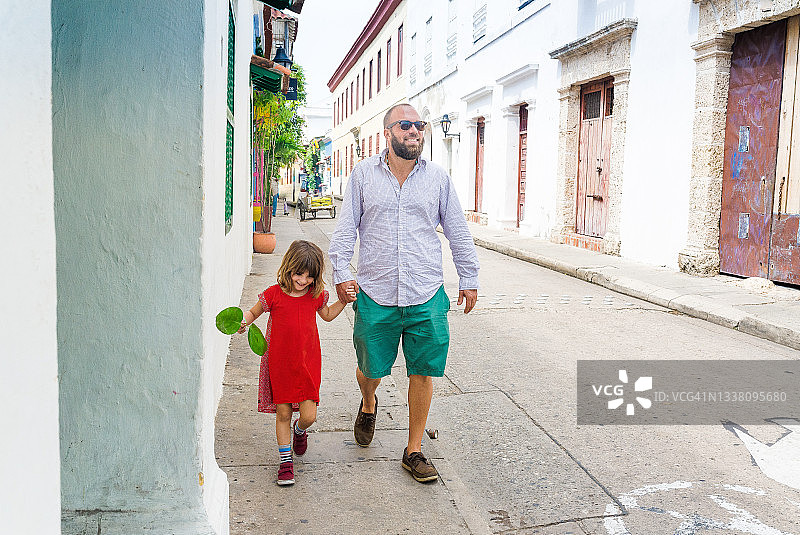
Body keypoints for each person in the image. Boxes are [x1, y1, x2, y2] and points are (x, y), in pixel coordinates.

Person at [328, 103, 480, 483]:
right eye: (406, 125)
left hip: (425, 291)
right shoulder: (363, 175)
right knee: (369, 369)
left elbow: (457, 230)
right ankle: (368, 401)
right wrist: (341, 272)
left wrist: (469, 275)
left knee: (424, 370)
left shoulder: (439, 179)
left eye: (420, 125)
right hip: (375, 293)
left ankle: (413, 449)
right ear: (388, 133)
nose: (415, 131)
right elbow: (346, 230)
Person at [238, 240, 354, 486]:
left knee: (309, 415)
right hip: (280, 364)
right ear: (289, 267)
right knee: (283, 412)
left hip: (307, 364)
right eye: (298, 274)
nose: (303, 280)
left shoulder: (315, 296)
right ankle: (285, 462)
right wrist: (243, 321)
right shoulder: (274, 294)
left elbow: (328, 315)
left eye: (309, 277)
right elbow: (253, 312)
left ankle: (300, 430)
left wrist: (343, 300)